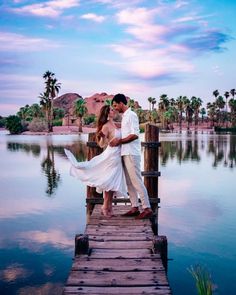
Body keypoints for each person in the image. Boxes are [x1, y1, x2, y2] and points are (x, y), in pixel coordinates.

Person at [64, 105, 127, 217]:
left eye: (113, 109)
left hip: (117, 155)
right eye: (111, 110)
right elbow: (102, 144)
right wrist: (102, 137)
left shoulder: (114, 124)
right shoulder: (106, 126)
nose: (113, 111)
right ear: (107, 113)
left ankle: (109, 208)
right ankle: (105, 207)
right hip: (112, 155)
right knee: (109, 183)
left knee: (113, 183)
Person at [110, 93, 153, 219]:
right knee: (129, 183)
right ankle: (134, 207)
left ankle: (147, 208)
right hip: (125, 153)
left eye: (115, 105)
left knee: (136, 181)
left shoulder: (132, 115)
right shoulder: (124, 117)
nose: (115, 108)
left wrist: (119, 141)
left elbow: (134, 135)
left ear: (121, 103)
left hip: (131, 153)